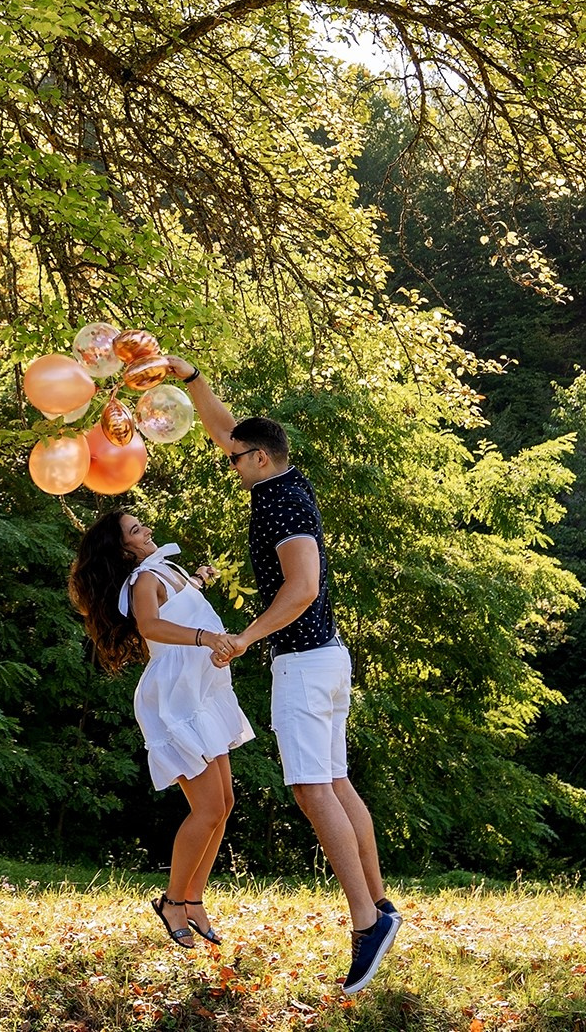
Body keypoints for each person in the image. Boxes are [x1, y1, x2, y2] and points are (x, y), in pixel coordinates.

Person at [164, 354, 403, 994]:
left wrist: (246, 637)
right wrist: (192, 380)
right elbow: (223, 428)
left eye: (236, 459)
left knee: (311, 791)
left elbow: (301, 587)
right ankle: (379, 904)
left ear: (261, 460)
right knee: (336, 781)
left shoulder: (278, 507)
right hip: (326, 656)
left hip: (301, 661)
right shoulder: (283, 483)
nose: (229, 462)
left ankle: (364, 924)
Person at [69, 508, 254, 949]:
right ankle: (171, 900)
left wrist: (199, 581)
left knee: (224, 804)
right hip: (175, 698)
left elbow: (182, 606)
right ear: (123, 549)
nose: (147, 529)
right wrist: (208, 639)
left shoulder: (165, 571)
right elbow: (151, 625)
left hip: (202, 689)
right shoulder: (141, 583)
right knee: (207, 809)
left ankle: (193, 898)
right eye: (136, 530)